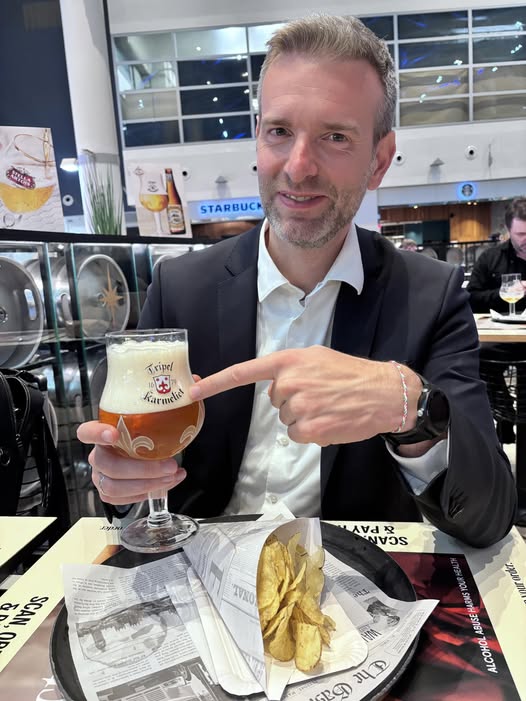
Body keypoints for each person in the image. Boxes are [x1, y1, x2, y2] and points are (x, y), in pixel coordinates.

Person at [78, 14, 516, 548]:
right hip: (198, 578)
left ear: (379, 160)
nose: (299, 166)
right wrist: (122, 485)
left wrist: (410, 406)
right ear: (258, 137)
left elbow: (488, 516)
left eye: (335, 137)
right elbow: (131, 487)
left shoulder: (431, 297)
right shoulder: (179, 288)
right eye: (280, 132)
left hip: (352, 583)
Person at [467, 197, 526, 444]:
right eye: (521, 234)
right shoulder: (492, 258)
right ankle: (505, 413)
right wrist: (503, 294)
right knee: (475, 356)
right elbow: (471, 297)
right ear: (508, 231)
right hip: (501, 338)